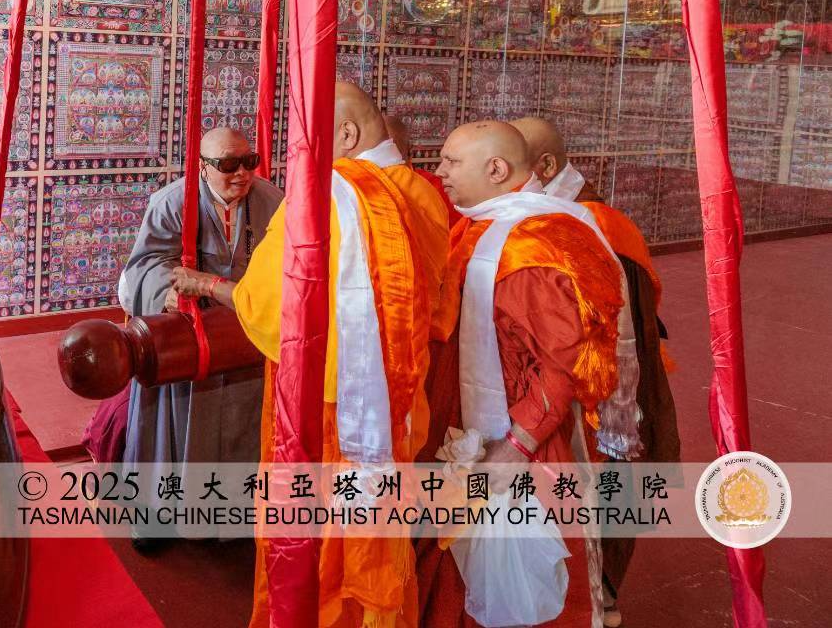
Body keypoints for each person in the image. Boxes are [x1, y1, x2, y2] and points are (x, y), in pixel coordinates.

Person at [180, 83, 445, 628]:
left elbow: (266, 302)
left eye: (308, 140)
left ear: (344, 134)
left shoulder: (324, 196)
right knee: (378, 518)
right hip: (396, 396)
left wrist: (207, 286)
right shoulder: (423, 193)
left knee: (317, 528)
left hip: (325, 402)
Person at [420, 121, 626, 628]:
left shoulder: (535, 243)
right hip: (474, 426)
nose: (439, 172)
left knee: (531, 579)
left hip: (526, 441)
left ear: (496, 169)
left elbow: (564, 364)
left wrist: (518, 444)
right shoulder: (485, 224)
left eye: (451, 161)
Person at [512, 117, 679, 628]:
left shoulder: (599, 227)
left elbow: (629, 343)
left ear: (544, 166)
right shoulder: (537, 219)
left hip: (596, 397)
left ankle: (600, 591)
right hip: (549, 394)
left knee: (604, 487)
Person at [116, 125, 281, 550]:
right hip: (190, 341)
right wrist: (165, 291)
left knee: (245, 426)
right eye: (228, 164)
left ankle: (232, 517)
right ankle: (155, 514)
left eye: (249, 162)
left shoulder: (273, 201)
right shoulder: (173, 202)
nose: (242, 173)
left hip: (245, 336)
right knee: (167, 427)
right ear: (203, 167)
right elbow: (145, 264)